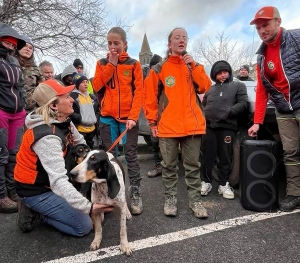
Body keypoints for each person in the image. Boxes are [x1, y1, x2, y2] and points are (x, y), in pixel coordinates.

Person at [14, 79, 114, 235]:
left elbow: (82, 144)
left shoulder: (64, 120)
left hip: (50, 182)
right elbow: (58, 181)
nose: (72, 99)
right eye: (67, 96)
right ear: (54, 105)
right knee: (84, 225)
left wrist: (101, 159)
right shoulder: (47, 137)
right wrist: (88, 207)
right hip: (36, 190)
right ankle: (38, 212)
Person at [144, 27, 211, 218]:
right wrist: (152, 123)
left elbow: (205, 86)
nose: (181, 40)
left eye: (184, 38)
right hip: (168, 127)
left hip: (192, 126)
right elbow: (149, 98)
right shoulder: (159, 68)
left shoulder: (194, 66)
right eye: (177, 37)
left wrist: (194, 66)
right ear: (169, 44)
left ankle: (195, 201)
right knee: (169, 166)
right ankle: (170, 199)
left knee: (192, 166)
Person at [248, 6, 300, 212]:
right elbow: (262, 91)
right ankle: (295, 193)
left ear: (278, 22)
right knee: (290, 153)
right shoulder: (261, 58)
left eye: (266, 24)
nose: (262, 30)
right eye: (258, 27)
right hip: (283, 110)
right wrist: (257, 121)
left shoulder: (296, 38)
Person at [92, 27, 144, 215]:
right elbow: (96, 85)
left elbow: (140, 92)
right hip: (107, 118)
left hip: (128, 119)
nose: (113, 46)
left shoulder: (133, 64)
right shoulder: (102, 63)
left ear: (125, 44)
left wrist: (133, 116)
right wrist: (111, 66)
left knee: (130, 154)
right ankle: (109, 193)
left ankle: (135, 191)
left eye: (116, 43)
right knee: (109, 156)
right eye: (109, 43)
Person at [201, 60, 248, 199]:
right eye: (219, 73)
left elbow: (243, 103)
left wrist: (229, 112)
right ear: (214, 75)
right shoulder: (210, 88)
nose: (223, 75)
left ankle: (224, 184)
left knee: (225, 156)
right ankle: (206, 182)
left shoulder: (238, 85)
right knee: (207, 156)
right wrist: (204, 115)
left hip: (227, 127)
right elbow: (203, 105)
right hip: (209, 127)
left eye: (225, 72)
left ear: (229, 72)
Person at [0, 23, 26, 213]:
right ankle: (1, 196)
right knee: (1, 155)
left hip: (17, 113)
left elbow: (21, 85)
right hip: (1, 111)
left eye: (13, 43)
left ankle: (12, 189)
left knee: (13, 153)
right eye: (6, 41)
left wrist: (23, 103)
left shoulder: (15, 62)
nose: (10, 45)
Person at [14, 35, 44, 113]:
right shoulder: (8, 64)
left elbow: (43, 88)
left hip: (32, 110)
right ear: (17, 47)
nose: (28, 49)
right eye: (25, 46)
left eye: (31, 48)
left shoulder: (36, 69)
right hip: (11, 107)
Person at [70, 73, 99, 149]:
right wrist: (80, 118)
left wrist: (95, 118)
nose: (85, 84)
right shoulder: (73, 96)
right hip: (80, 130)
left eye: (86, 82)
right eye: (82, 82)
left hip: (92, 130)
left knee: (91, 150)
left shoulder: (92, 97)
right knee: (81, 150)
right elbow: (70, 111)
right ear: (77, 84)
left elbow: (97, 110)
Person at [145, 54, 163, 178]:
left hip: (165, 115)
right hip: (154, 116)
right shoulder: (149, 78)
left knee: (165, 143)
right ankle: (159, 165)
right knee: (155, 141)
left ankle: (166, 166)